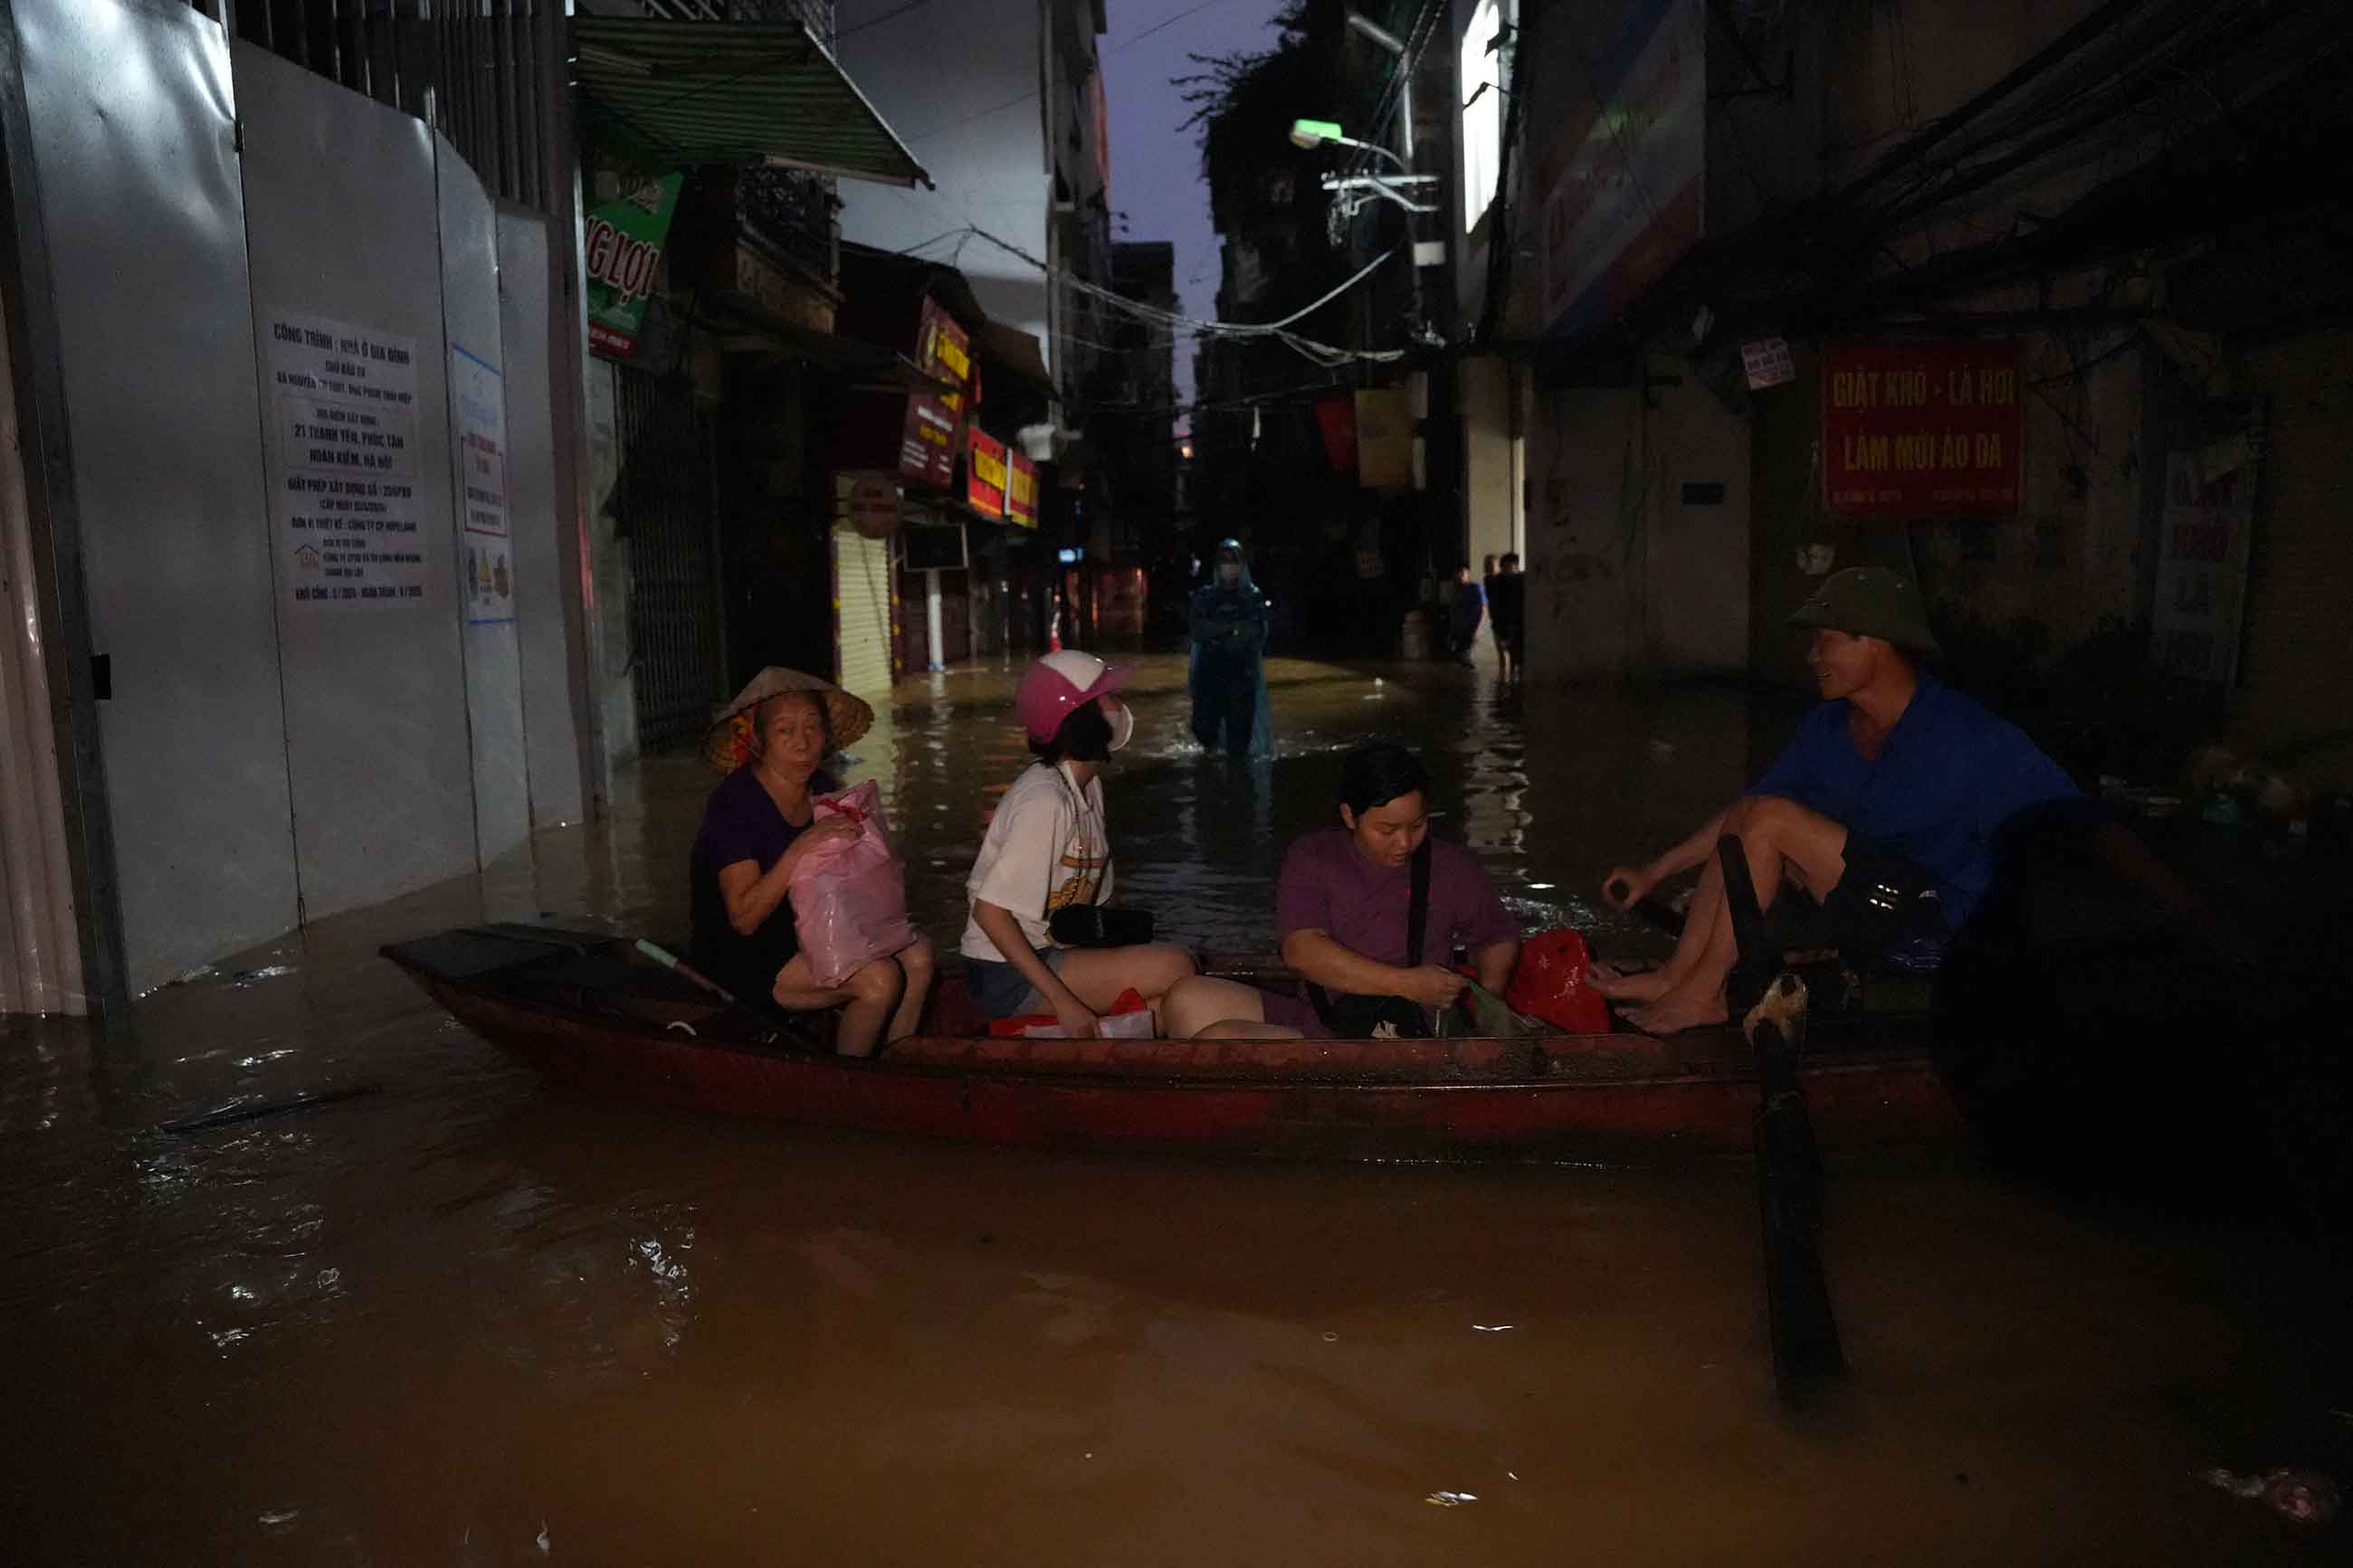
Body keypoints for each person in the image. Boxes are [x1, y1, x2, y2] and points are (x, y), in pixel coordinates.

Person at [1592, 568, 2089, 1033]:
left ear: (1872, 642)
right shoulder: (1828, 728)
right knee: (1751, 816)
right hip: (1865, 904)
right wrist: (1655, 872)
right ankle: (1677, 975)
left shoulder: (1967, 732)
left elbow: (2073, 823)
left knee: (1769, 820)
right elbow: (1749, 810)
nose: (1811, 657)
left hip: (1934, 930)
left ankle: (1706, 993)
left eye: (1823, 641)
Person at [1162, 742, 1520, 1039]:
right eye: (1387, 829)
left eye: (1418, 825)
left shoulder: (1452, 865)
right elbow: (1302, 950)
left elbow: (1496, 937)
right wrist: (1405, 983)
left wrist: (1486, 1014)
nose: (1405, 842)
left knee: (1218, 1041)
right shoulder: (1313, 855)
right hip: (1324, 1017)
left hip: (1402, 1030)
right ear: (1350, 816)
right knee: (1185, 999)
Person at [690, 669, 935, 1057]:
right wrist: (802, 846)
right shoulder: (734, 806)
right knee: (879, 980)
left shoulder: (821, 786)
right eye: (786, 731)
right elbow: (744, 918)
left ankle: (899, 1062)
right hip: (745, 958)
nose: (803, 744)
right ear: (759, 739)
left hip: (812, 931)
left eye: (812, 728)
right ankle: (844, 1085)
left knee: (918, 953)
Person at [960, 651, 1198, 1036]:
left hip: (1053, 951)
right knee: (1176, 966)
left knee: (1168, 1009)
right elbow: (990, 913)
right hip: (1004, 972)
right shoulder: (1045, 801)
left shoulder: (1088, 786)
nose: (1120, 706)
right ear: (1084, 717)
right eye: (1110, 697)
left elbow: (1098, 897)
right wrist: (1064, 1001)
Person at [1187, 538, 1272, 757]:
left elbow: (1255, 632)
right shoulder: (1206, 596)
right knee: (1205, 733)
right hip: (1209, 678)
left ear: (1242, 564)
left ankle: (1238, 786)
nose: (1229, 565)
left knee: (1238, 747)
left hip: (1241, 679)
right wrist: (1232, 629)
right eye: (1224, 560)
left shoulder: (1252, 596)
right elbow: (1198, 630)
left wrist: (1221, 631)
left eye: (1234, 560)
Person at [1489, 552, 1525, 683]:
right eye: (1503, 567)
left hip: (1519, 626)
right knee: (1510, 658)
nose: (1505, 571)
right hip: (1503, 625)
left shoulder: (1522, 580)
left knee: (1519, 659)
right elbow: (1495, 607)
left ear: (1516, 566)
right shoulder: (1496, 582)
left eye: (1508, 567)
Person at [1447, 564, 1485, 667]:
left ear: (1468, 574)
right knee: (1458, 658)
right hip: (1458, 629)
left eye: (1462, 573)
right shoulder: (1456, 590)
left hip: (1470, 629)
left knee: (1464, 656)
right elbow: (1453, 611)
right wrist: (1452, 631)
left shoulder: (1475, 588)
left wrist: (1477, 630)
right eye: (1457, 574)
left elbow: (1483, 610)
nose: (1460, 576)